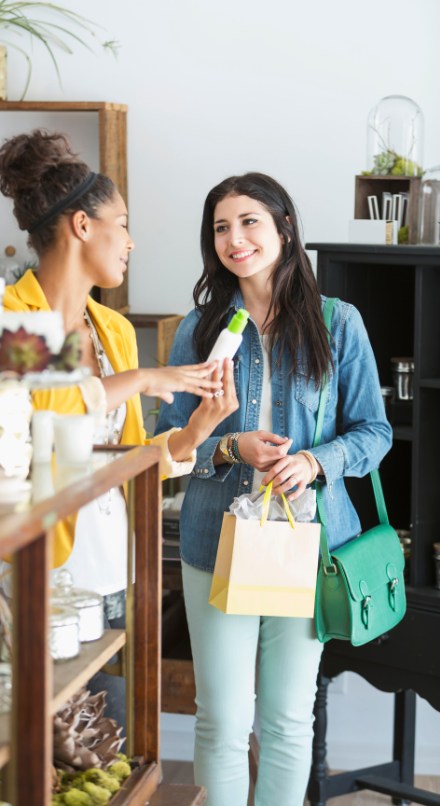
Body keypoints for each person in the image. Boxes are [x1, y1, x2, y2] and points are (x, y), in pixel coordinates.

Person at [154, 172, 392, 806]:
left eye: (249, 221)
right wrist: (232, 448)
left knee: (288, 722)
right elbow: (168, 445)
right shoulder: (200, 329)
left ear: (284, 227)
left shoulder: (338, 324)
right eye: (221, 228)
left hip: (305, 547)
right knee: (223, 721)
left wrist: (316, 462)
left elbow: (375, 432)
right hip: (214, 540)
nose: (236, 239)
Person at [0, 130, 238, 727]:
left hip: (115, 572)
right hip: (44, 574)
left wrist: (197, 430)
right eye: (121, 224)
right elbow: (26, 425)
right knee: (47, 745)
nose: (130, 241)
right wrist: (145, 380)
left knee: (112, 744)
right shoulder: (8, 321)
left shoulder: (114, 332)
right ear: (81, 226)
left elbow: (124, 455)